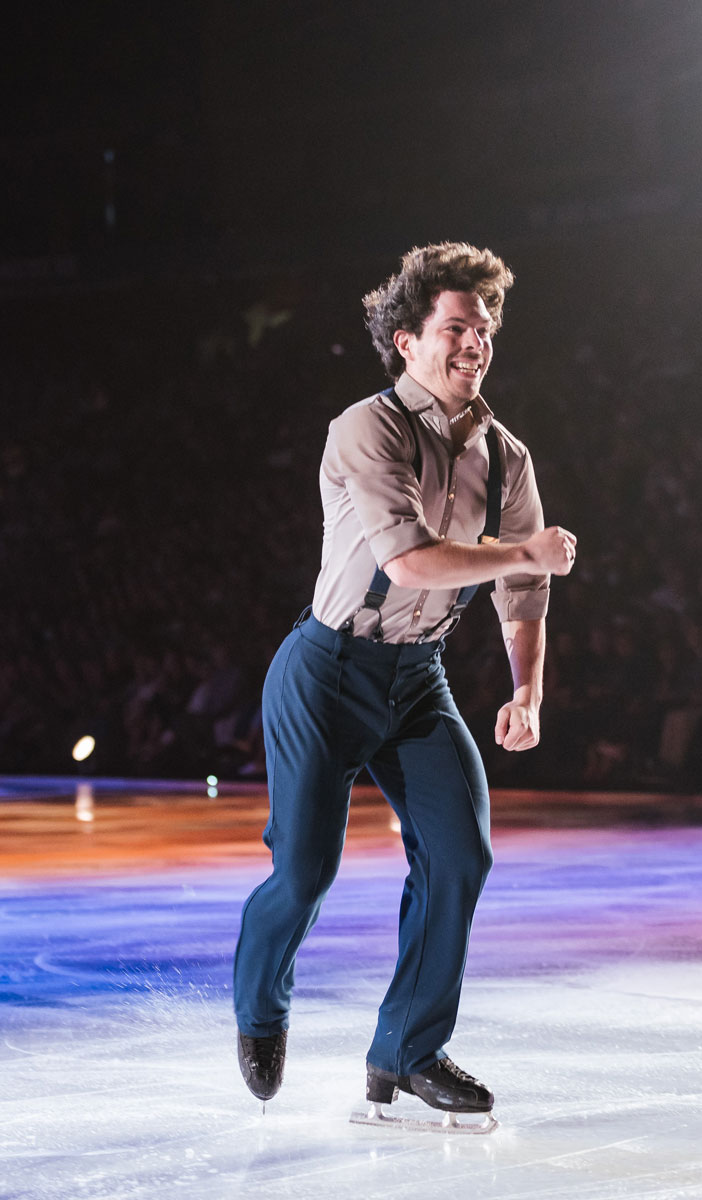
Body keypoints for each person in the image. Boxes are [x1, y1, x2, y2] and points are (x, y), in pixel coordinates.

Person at [233, 242, 576, 1123]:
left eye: (485, 326)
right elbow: (413, 561)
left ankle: (408, 1051)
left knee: (460, 853)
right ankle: (261, 1001)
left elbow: (522, 591)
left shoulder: (508, 456)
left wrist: (527, 689)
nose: (477, 341)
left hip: (417, 679)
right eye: (457, 326)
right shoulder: (366, 428)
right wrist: (524, 551)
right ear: (407, 338)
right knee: (304, 875)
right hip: (325, 671)